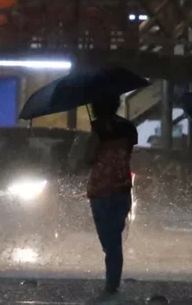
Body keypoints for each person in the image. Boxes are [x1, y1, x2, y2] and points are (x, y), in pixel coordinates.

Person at [82, 95, 137, 302]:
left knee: (109, 240)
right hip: (122, 188)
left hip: (101, 189)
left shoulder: (98, 129)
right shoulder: (129, 128)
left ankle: (112, 284)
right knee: (115, 236)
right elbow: (128, 152)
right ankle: (112, 282)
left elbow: (88, 158)